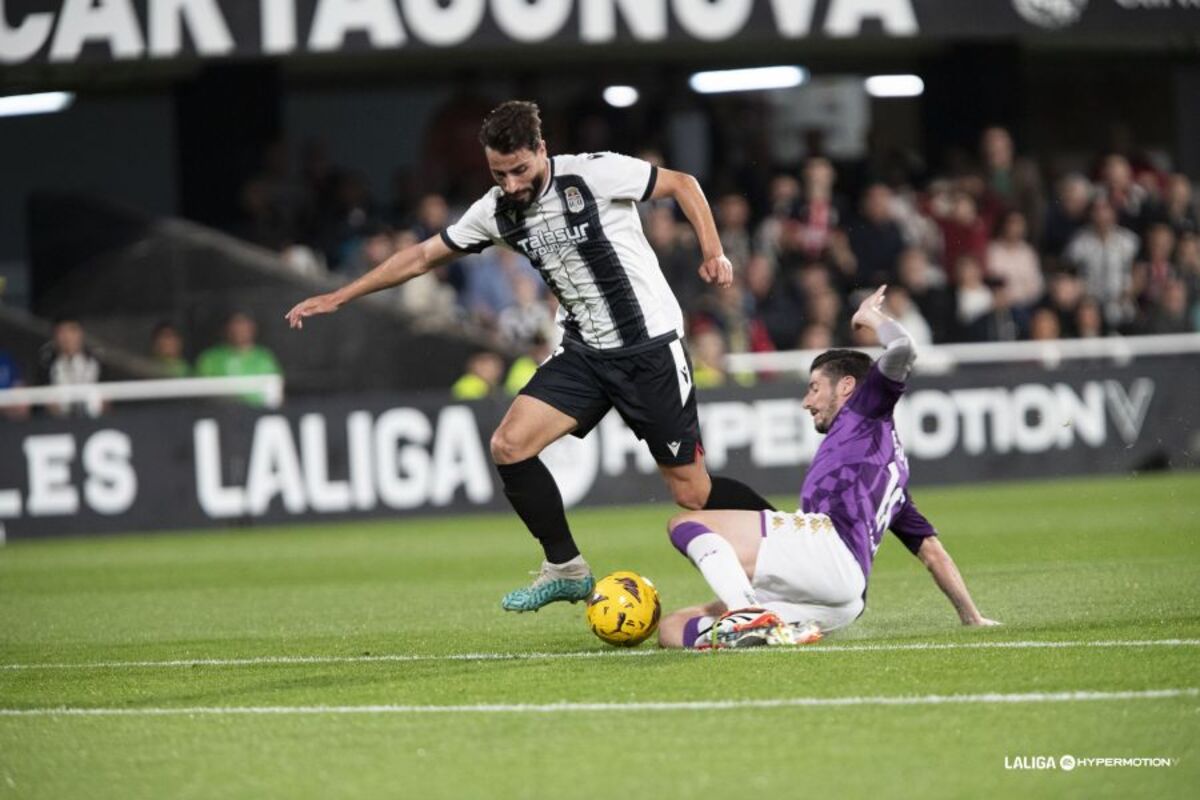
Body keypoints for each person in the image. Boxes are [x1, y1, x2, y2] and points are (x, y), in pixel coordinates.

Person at [285, 100, 774, 612]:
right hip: (585, 352)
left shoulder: (592, 173)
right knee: (510, 445)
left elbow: (682, 184)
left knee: (691, 494)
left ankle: (791, 546)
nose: (512, 183)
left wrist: (713, 251)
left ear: (542, 150)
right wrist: (341, 294)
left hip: (648, 348)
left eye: (520, 169)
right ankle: (565, 567)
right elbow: (423, 255)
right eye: (500, 173)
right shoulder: (495, 209)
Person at [658, 286, 999, 649]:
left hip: (826, 555)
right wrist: (970, 616)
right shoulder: (892, 475)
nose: (807, 401)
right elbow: (931, 553)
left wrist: (873, 318)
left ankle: (746, 613)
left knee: (686, 523)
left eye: (814, 388)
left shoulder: (865, 412)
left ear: (848, 387)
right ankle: (763, 627)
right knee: (673, 630)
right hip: (844, 602)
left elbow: (903, 350)